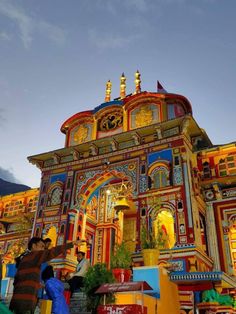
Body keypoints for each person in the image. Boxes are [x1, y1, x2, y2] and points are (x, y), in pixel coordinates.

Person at [9, 237, 78, 314]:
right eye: (41, 246)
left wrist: (36, 284)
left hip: (17, 300)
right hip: (26, 301)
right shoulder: (34, 255)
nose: (43, 250)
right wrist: (71, 244)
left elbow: (17, 280)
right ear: (34, 246)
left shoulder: (24, 259)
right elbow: (51, 252)